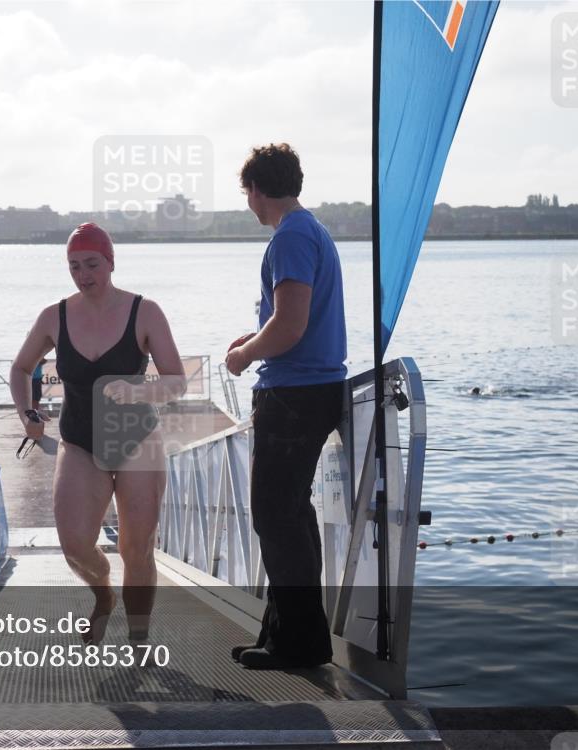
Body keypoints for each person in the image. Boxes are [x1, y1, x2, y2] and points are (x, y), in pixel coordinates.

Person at [10, 223, 186, 644]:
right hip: (80, 441)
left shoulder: (144, 311)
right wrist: (27, 412)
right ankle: (104, 594)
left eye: (91, 264)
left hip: (136, 440)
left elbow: (177, 381)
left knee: (136, 548)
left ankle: (139, 637)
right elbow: (20, 369)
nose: (83, 274)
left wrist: (140, 389)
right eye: (74, 266)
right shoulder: (56, 315)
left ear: (110, 262)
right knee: (73, 544)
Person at [225, 143, 347, 670]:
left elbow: (292, 326)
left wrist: (244, 356)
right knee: (291, 516)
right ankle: (284, 634)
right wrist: (259, 335)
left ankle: (299, 643)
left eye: (247, 193)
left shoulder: (290, 236)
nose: (248, 203)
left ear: (257, 189)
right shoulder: (311, 230)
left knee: (275, 516)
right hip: (312, 389)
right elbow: (297, 319)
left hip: (293, 395)